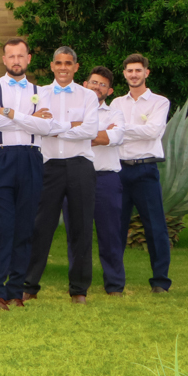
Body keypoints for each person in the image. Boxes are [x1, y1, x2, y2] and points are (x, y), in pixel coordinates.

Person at [0, 38, 53, 309]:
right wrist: (30, 117)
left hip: (31, 158)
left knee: (24, 227)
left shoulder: (41, 90)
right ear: (4, 60)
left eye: (20, 56)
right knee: (0, 226)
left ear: (29, 58)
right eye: (11, 56)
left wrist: (10, 113)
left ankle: (15, 290)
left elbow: (47, 128)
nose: (16, 61)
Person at [22, 47, 99, 303]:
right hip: (48, 166)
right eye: (58, 63)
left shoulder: (88, 96)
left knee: (81, 227)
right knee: (40, 227)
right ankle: (29, 286)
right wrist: (69, 126)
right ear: (52, 66)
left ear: (76, 67)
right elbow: (33, 125)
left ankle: (79, 290)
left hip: (80, 166)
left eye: (68, 63)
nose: (63, 67)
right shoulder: (39, 94)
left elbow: (90, 130)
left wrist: (52, 128)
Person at [111, 54, 173, 293]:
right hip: (119, 170)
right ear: (124, 74)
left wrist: (121, 130)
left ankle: (160, 282)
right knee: (115, 227)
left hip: (146, 169)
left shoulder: (159, 102)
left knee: (155, 227)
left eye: (138, 70)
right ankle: (115, 282)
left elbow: (153, 131)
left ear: (147, 72)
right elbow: (114, 133)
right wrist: (130, 131)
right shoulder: (116, 103)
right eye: (129, 71)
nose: (134, 74)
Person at [84, 67, 127, 295]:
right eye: (93, 82)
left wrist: (80, 134)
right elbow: (61, 134)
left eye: (102, 84)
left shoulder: (115, 114)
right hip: (78, 178)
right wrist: (100, 134)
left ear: (109, 91)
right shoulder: (74, 111)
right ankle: (79, 286)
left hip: (106, 179)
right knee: (78, 234)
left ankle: (115, 285)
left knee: (110, 234)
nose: (96, 87)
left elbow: (116, 136)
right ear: (85, 84)